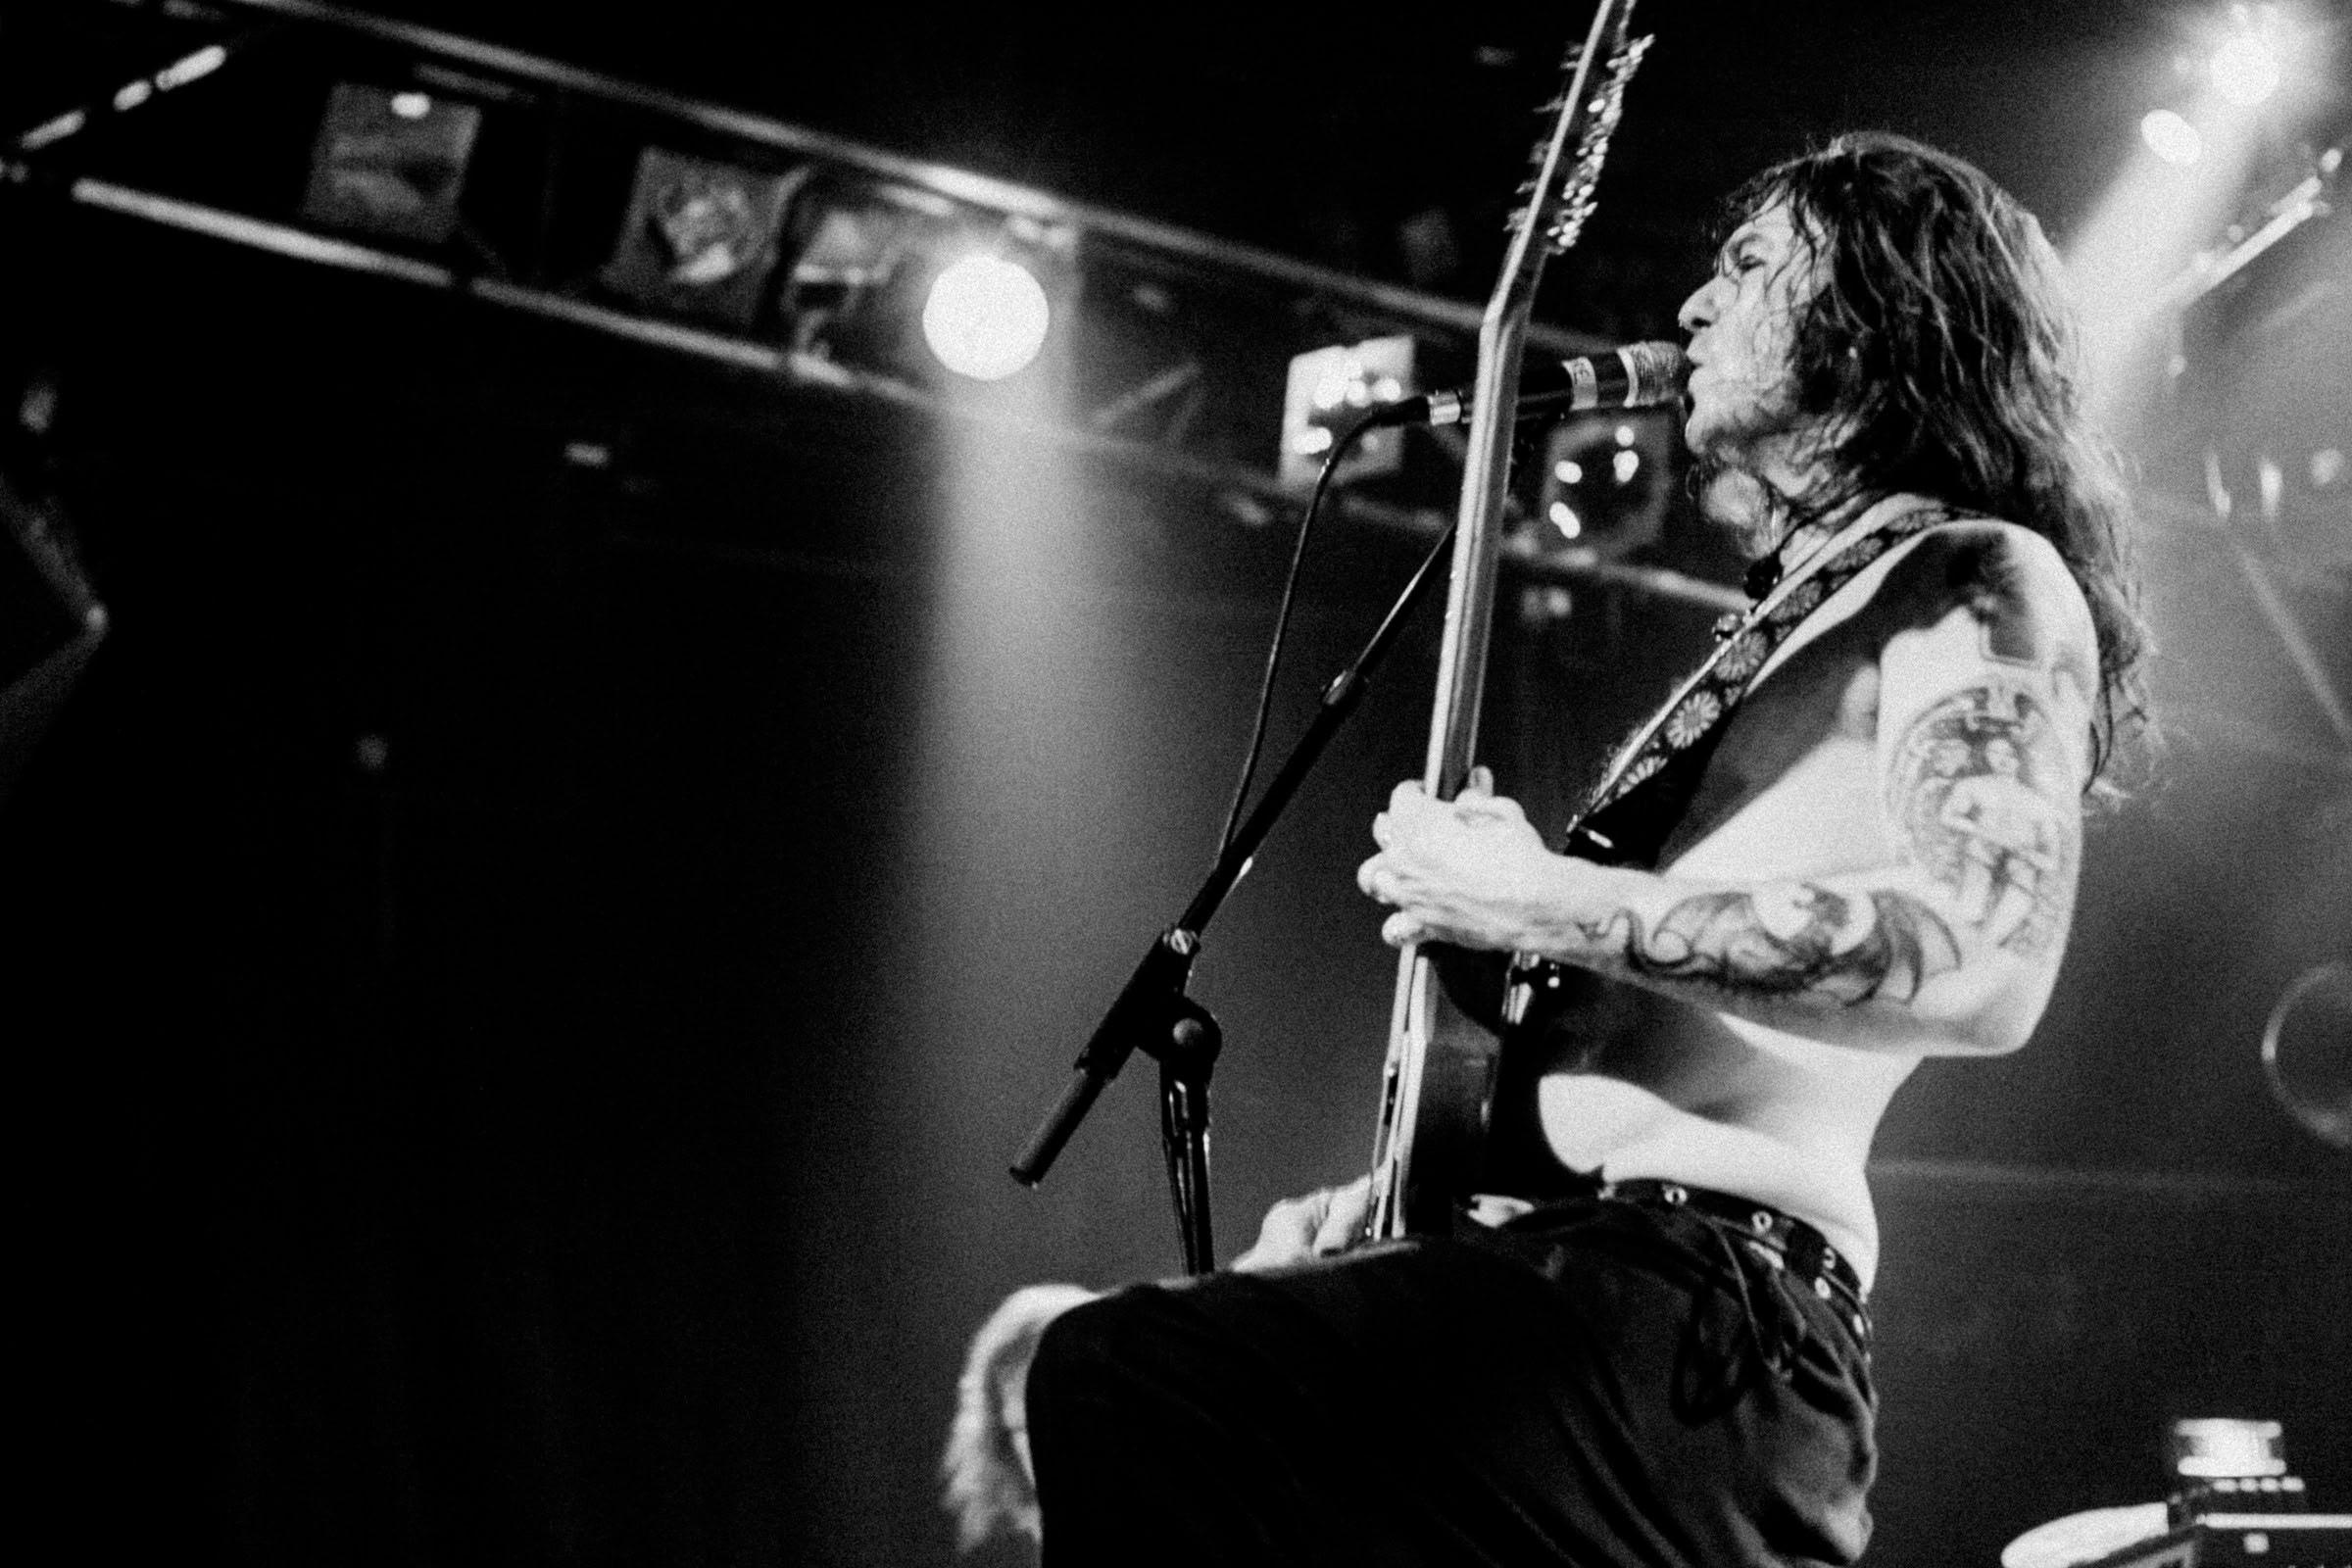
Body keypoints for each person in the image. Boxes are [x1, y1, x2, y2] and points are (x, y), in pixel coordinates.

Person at [998, 132, 2149, 1567]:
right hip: (1572, 1300)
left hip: (1697, 1328)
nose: (1692, 310)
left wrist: (1546, 895)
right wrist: (1386, 1218)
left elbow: (1985, 961)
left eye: (1744, 265)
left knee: (1126, 1374)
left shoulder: (1979, 576)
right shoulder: (1775, 638)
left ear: (1874, 309)